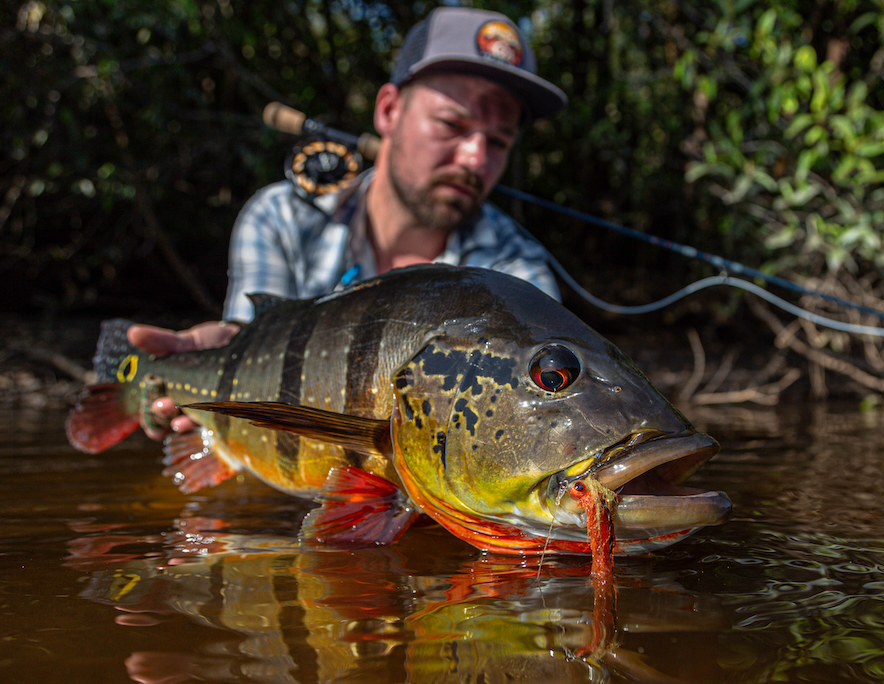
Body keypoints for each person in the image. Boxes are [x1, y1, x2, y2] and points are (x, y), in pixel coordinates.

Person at [130, 6, 567, 439]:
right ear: (389, 111)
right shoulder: (281, 217)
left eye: (497, 141)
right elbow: (252, 347)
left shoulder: (519, 271)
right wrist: (214, 366)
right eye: (452, 124)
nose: (475, 158)